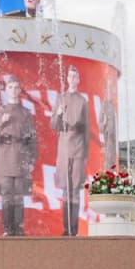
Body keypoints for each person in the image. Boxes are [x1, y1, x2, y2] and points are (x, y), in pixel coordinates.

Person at [0, 73, 37, 236]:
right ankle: (8, 230)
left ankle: (19, 230)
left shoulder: (26, 113)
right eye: (10, 87)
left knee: (19, 196)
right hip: (4, 155)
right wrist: (1, 122)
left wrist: (32, 159)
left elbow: (33, 138)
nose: (14, 90)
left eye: (16, 87)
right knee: (7, 195)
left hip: (21, 155)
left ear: (20, 90)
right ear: (6, 90)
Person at [50, 65, 89, 236]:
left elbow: (87, 130)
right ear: (67, 78)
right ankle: (66, 229)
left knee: (75, 189)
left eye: (75, 76)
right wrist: (58, 113)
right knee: (66, 188)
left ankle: (74, 229)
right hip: (64, 146)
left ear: (78, 80)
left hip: (78, 146)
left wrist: (85, 155)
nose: (72, 79)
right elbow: (53, 125)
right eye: (70, 76)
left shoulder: (82, 101)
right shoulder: (60, 98)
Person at [98, 79, 118, 171]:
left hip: (115, 141)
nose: (110, 91)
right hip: (108, 139)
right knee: (108, 160)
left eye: (111, 88)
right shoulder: (104, 105)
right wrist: (104, 123)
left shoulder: (115, 104)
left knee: (114, 160)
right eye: (108, 88)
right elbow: (100, 126)